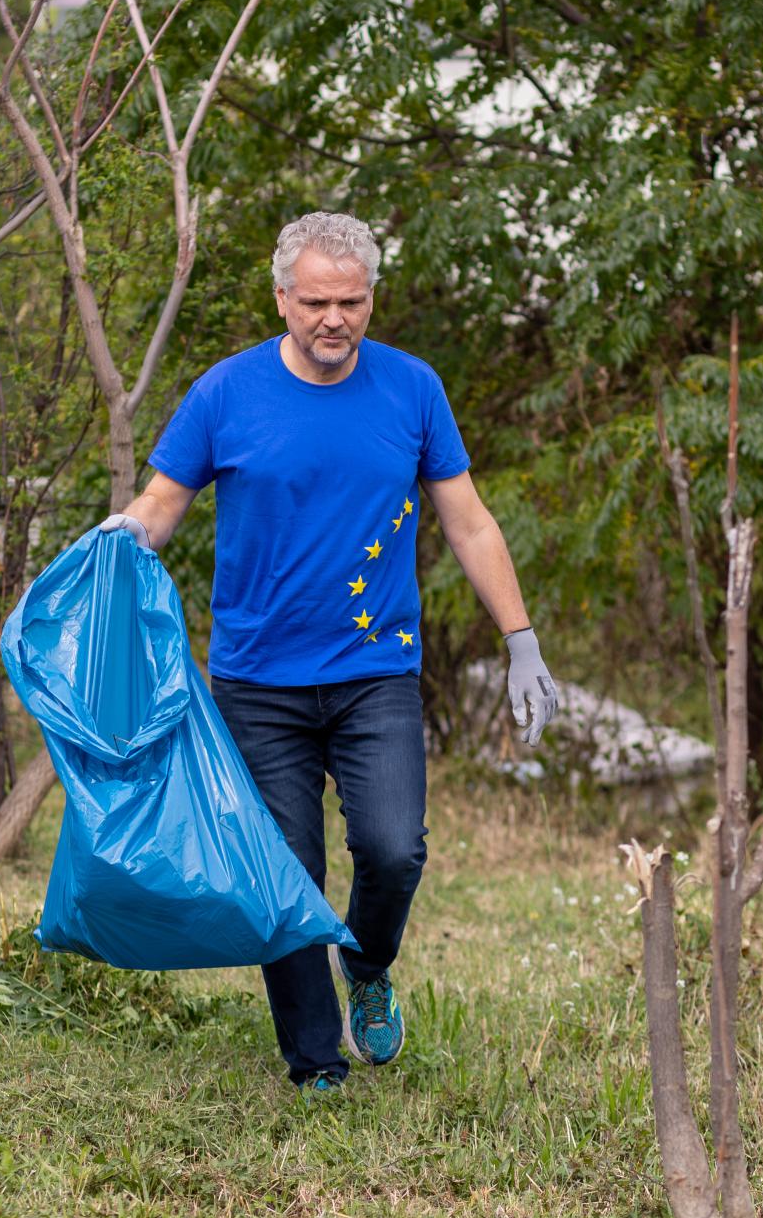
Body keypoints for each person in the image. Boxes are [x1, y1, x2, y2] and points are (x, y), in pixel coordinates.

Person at [103, 211, 557, 1096]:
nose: (332, 319)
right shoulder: (225, 394)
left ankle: (371, 966)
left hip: (374, 674)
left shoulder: (412, 390)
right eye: (314, 301)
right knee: (285, 874)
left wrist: (521, 641)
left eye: (349, 301)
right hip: (256, 682)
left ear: (370, 299)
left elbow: (467, 520)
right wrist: (118, 541)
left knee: (392, 850)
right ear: (282, 297)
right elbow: (161, 504)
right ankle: (314, 1059)